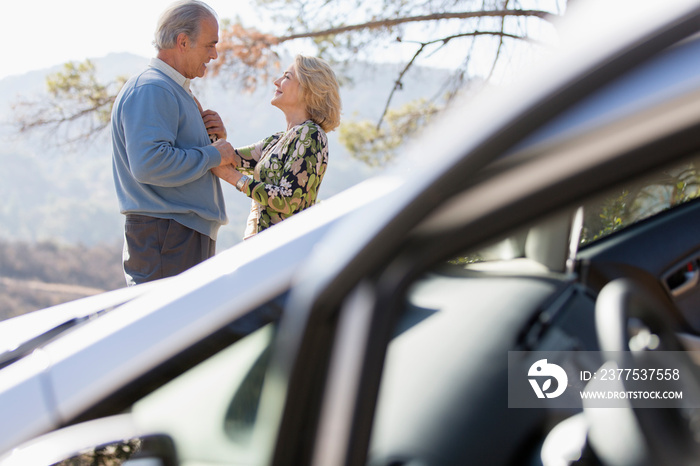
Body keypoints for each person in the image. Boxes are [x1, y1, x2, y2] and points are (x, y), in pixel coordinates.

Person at [111, 0, 237, 286]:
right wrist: (212, 154)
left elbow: (177, 155)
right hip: (168, 236)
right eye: (209, 44)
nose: (215, 54)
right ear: (183, 42)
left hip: (174, 235)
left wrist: (213, 141)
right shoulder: (153, 88)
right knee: (164, 326)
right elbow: (150, 164)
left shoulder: (170, 90)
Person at [213, 55, 341, 239]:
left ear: (308, 89)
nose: (276, 82)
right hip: (261, 246)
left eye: (287, 77)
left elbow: (289, 200)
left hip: (283, 249)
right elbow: (230, 158)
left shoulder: (311, 134)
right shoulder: (276, 141)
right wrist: (217, 135)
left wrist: (234, 178)